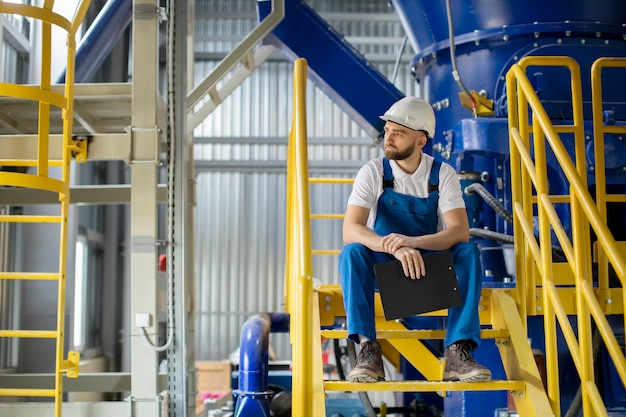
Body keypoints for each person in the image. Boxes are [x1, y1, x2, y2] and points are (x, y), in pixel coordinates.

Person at [339, 96, 492, 383]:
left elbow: (458, 231)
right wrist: (392, 246)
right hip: (384, 266)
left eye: (398, 133)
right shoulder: (373, 172)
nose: (389, 138)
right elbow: (351, 229)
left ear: (421, 141)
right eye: (387, 131)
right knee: (352, 253)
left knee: (468, 253)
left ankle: (458, 350)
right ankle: (368, 350)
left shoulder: (442, 174)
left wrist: (413, 243)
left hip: (425, 264)